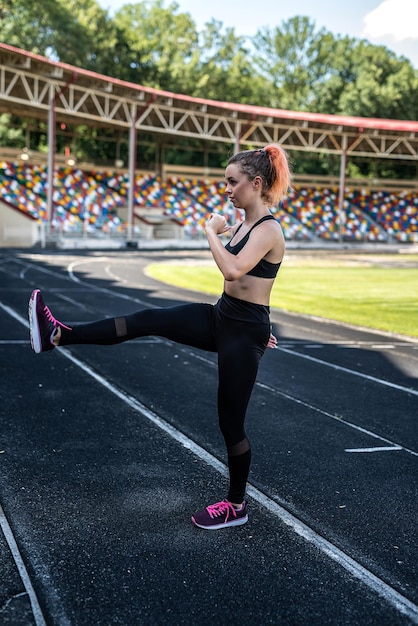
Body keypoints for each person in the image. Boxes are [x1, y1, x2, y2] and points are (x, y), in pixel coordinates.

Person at [29, 143, 291, 530]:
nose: (226, 189)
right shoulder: (243, 225)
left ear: (255, 183)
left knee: (229, 422)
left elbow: (235, 270)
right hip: (223, 316)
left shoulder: (268, 229)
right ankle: (58, 334)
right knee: (147, 319)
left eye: (232, 182)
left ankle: (236, 505)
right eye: (225, 182)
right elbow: (244, 284)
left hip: (243, 331)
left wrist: (209, 232)